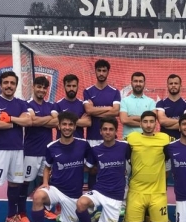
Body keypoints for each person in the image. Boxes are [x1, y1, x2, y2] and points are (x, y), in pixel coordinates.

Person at [28, 112, 94, 222]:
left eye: (70, 125)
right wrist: (45, 182)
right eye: (64, 124)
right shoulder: (51, 146)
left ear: (75, 127)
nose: (67, 127)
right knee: (38, 196)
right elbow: (47, 167)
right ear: (58, 126)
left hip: (73, 195)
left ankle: (62, 216)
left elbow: (89, 166)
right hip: (56, 189)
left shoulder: (83, 145)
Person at [0, 71, 33, 222]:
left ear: (16, 85)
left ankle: (11, 216)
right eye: (6, 82)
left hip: (18, 150)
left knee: (15, 183)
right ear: (1, 84)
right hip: (0, 150)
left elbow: (28, 121)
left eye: (12, 83)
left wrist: (10, 119)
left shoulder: (21, 103)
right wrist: (18, 122)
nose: (9, 86)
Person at [119, 111, 179, 222]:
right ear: (140, 124)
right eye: (145, 122)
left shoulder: (165, 138)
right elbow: (116, 148)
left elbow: (184, 144)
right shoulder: (131, 138)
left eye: (151, 122)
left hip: (157, 192)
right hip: (136, 191)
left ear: (156, 124)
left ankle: (150, 217)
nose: (148, 125)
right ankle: (141, 216)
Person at [76, 117, 129, 222]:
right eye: (105, 129)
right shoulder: (95, 150)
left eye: (111, 129)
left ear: (116, 131)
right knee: (81, 203)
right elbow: (87, 168)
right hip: (100, 190)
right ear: (100, 131)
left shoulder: (124, 147)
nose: (107, 132)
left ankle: (98, 219)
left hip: (116, 195)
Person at [83, 59, 121, 190]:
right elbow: (88, 110)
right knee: (93, 169)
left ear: (108, 72)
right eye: (99, 70)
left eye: (104, 71)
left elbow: (116, 111)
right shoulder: (88, 91)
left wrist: (96, 110)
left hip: (109, 137)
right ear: (95, 71)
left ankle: (109, 194)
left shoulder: (114, 92)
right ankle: (92, 197)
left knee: (109, 167)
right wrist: (108, 108)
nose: (101, 73)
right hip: (92, 137)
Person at [24, 76, 57, 218]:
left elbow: (56, 122)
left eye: (44, 88)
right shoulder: (27, 104)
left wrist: (38, 120)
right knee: (26, 183)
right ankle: (21, 211)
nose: (42, 90)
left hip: (46, 151)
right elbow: (31, 121)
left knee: (43, 182)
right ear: (33, 87)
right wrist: (48, 119)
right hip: (31, 151)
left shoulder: (51, 106)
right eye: (39, 87)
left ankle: (42, 209)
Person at [52, 74, 91, 139]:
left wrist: (64, 121)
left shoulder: (83, 105)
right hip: (62, 143)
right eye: (68, 86)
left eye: (74, 86)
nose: (71, 88)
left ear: (77, 87)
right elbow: (56, 122)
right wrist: (79, 121)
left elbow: (88, 122)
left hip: (79, 142)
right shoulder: (57, 105)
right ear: (64, 86)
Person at [119, 72, 156, 138]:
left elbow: (152, 120)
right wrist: (144, 122)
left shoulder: (151, 101)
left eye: (140, 81)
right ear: (131, 83)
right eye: (135, 81)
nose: (138, 84)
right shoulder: (124, 101)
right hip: (128, 139)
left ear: (144, 83)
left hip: (146, 139)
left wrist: (130, 118)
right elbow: (124, 120)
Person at [156, 74, 186, 140]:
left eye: (176, 83)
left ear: (180, 86)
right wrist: (181, 121)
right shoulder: (161, 103)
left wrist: (168, 125)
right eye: (171, 83)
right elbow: (162, 120)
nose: (173, 85)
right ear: (167, 86)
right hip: (165, 141)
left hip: (181, 141)